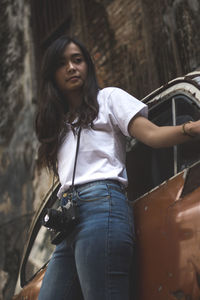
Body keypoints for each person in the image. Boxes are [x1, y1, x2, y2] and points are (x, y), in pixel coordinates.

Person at [35, 35, 200, 300]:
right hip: (67, 223)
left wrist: (191, 127)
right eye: (62, 63)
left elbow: (153, 136)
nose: (72, 68)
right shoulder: (57, 125)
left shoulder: (108, 99)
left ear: (87, 65)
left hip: (101, 207)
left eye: (77, 60)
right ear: (51, 75)